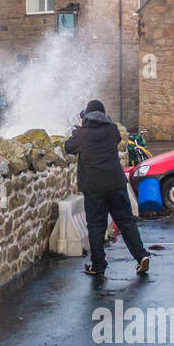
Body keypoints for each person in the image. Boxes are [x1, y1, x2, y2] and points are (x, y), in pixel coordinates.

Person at [63, 99, 151, 277]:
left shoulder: (81, 133)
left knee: (96, 225)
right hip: (115, 183)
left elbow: (68, 147)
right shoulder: (112, 130)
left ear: (86, 116)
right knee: (126, 221)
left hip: (93, 187)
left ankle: (98, 265)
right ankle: (141, 256)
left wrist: (79, 128)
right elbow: (116, 138)